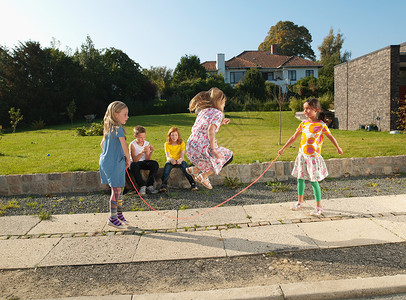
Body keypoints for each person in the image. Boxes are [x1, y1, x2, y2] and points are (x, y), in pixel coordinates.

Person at [278, 98, 343, 216]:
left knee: (314, 181)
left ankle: (319, 207)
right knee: (300, 178)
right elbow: (294, 137)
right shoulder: (303, 124)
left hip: (313, 158)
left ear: (316, 110)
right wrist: (283, 148)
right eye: (304, 109)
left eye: (308, 108)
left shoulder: (322, 125)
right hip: (302, 156)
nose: (305, 111)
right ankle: (300, 201)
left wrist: (338, 148)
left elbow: (331, 137)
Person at [186, 87, 233, 189]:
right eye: (223, 102)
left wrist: (221, 122)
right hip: (204, 146)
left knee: (210, 159)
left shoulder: (203, 111)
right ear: (219, 102)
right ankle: (204, 176)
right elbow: (210, 131)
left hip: (191, 147)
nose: (224, 105)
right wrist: (213, 149)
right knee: (227, 156)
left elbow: (205, 124)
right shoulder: (218, 113)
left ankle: (195, 169)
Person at [99, 101, 131, 229]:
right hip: (114, 163)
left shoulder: (109, 129)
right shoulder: (118, 130)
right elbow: (125, 148)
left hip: (108, 162)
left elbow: (102, 145)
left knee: (119, 188)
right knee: (116, 189)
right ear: (116, 115)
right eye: (125, 114)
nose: (127, 117)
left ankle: (118, 214)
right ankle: (112, 218)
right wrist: (128, 160)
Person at [160, 127, 198, 192]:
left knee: (185, 167)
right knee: (167, 168)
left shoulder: (181, 143)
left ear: (178, 136)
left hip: (179, 160)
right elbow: (168, 157)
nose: (174, 137)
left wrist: (180, 160)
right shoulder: (167, 144)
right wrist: (171, 160)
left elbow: (182, 156)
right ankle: (163, 185)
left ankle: (193, 184)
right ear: (169, 136)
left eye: (176, 135)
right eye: (172, 135)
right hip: (171, 161)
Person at [128, 125, 159, 195]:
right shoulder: (132, 145)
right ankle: (142, 186)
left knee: (154, 164)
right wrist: (142, 152)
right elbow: (135, 160)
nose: (142, 139)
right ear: (135, 136)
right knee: (133, 165)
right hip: (135, 162)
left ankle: (149, 185)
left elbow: (147, 159)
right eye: (140, 138)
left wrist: (151, 151)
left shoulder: (146, 143)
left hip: (143, 162)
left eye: (144, 137)